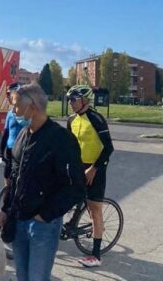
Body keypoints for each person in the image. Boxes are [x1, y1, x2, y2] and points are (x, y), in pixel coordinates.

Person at [0, 83, 85, 281]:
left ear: (32, 106)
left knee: (37, 278)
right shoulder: (23, 135)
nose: (14, 111)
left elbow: (76, 186)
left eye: (17, 106)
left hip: (43, 225)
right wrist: (5, 208)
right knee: (22, 276)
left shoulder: (61, 139)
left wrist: (46, 215)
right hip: (18, 219)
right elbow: (15, 178)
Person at [67, 85, 115, 268]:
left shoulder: (96, 119)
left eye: (74, 100)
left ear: (85, 100)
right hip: (78, 167)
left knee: (95, 210)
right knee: (64, 197)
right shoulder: (71, 120)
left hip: (95, 169)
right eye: (69, 100)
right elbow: (69, 146)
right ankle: (71, 224)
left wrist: (94, 168)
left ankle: (96, 255)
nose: (71, 103)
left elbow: (109, 148)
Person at [0, 83, 28, 186]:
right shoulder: (9, 113)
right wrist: (0, 153)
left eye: (9, 94)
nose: (7, 97)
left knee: (20, 179)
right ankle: (7, 195)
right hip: (10, 150)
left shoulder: (27, 111)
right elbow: (5, 134)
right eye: (7, 95)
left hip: (22, 150)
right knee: (7, 176)